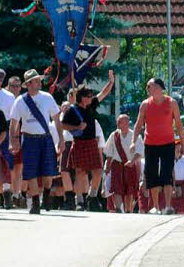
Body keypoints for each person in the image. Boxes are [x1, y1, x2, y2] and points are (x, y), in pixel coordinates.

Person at [59, 71, 115, 211]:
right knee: (80, 173)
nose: (91, 97)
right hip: (79, 143)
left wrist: (111, 82)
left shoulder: (91, 105)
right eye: (88, 96)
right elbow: (63, 125)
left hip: (91, 143)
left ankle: (92, 196)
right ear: (82, 98)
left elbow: (103, 93)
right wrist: (77, 126)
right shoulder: (72, 110)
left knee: (97, 171)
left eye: (91, 96)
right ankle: (79, 202)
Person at [9, 70, 60, 214]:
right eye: (36, 80)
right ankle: (36, 202)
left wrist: (61, 140)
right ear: (29, 84)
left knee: (48, 172)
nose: (39, 82)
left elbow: (56, 119)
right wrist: (13, 141)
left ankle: (47, 195)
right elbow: (13, 123)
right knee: (30, 171)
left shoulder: (47, 97)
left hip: (45, 138)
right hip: (29, 139)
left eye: (39, 80)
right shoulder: (20, 101)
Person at [132, 78, 184, 215]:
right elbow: (139, 124)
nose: (151, 89)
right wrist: (133, 141)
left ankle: (168, 206)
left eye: (154, 86)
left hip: (168, 143)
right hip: (150, 144)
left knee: (167, 174)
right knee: (152, 175)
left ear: (161, 88)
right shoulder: (145, 105)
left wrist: (183, 143)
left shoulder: (172, 103)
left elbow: (178, 124)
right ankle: (155, 206)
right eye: (149, 87)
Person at [103, 114, 143, 214]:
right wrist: (107, 167)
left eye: (124, 122)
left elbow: (140, 151)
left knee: (129, 189)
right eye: (120, 122)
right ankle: (118, 209)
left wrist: (132, 161)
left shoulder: (135, 135)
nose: (120, 124)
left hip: (130, 165)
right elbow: (109, 152)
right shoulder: (114, 135)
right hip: (116, 165)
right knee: (116, 188)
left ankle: (128, 210)